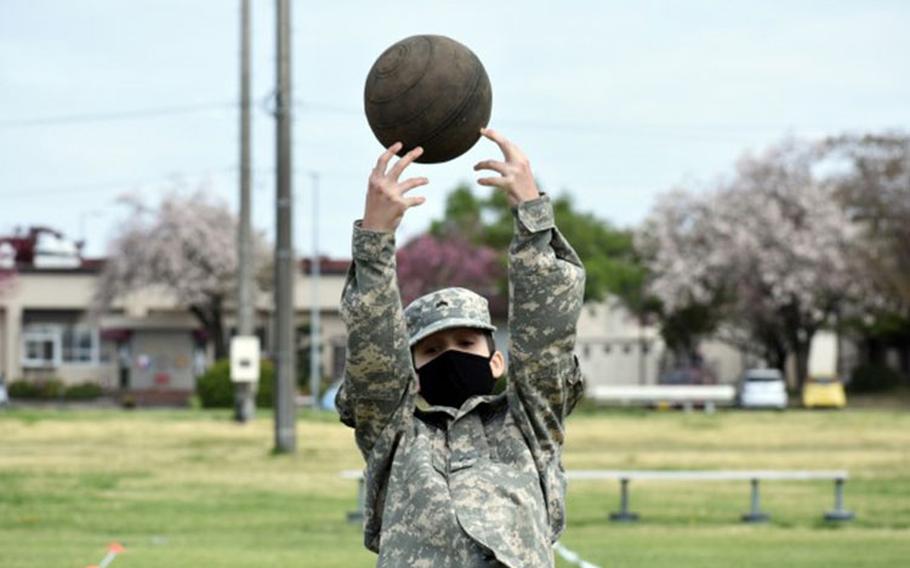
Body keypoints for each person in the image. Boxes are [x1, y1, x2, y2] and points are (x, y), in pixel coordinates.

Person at [337, 128, 586, 567]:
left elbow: (546, 339)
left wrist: (532, 216)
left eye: (466, 342)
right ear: (410, 372)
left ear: (497, 360)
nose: (450, 355)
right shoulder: (395, 437)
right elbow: (374, 355)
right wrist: (374, 239)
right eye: (432, 350)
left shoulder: (529, 425)